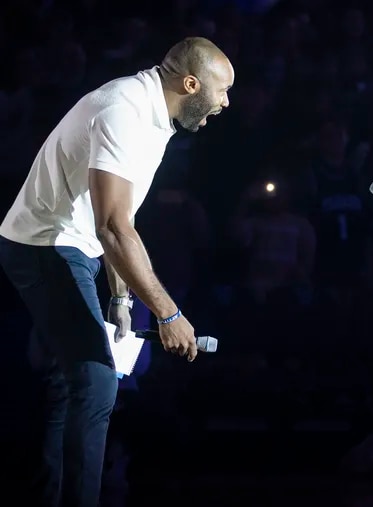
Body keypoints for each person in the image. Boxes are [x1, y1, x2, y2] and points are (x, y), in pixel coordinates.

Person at [0, 37, 234, 507]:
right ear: (191, 84)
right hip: (44, 243)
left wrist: (122, 298)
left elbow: (116, 219)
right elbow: (112, 227)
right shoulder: (123, 111)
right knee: (96, 380)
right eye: (222, 89)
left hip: (75, 245)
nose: (226, 102)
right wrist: (168, 315)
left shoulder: (151, 114)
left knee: (71, 382)